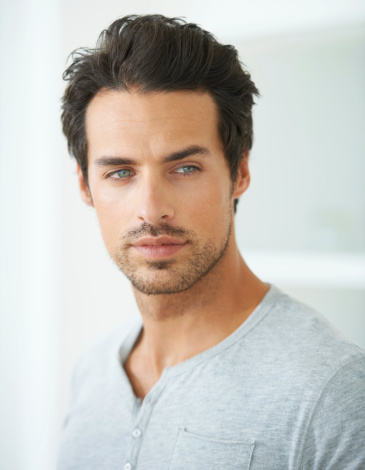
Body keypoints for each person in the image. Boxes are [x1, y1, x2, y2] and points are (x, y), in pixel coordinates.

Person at [58, 14, 365, 470]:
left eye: (185, 168)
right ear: (86, 186)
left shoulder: (333, 391)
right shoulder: (92, 373)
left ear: (239, 172)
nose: (151, 208)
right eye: (120, 172)